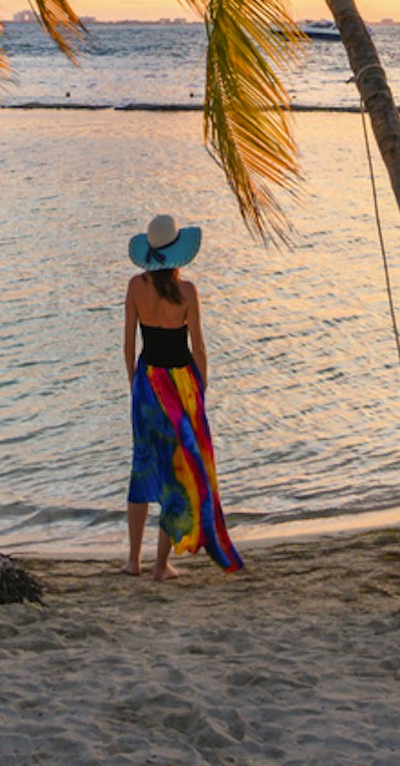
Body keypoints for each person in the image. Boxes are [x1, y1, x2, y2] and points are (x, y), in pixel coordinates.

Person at [123, 213, 240, 578]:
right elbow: (199, 347)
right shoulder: (187, 291)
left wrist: (135, 385)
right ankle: (161, 565)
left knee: (143, 465)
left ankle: (133, 560)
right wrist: (200, 390)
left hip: (148, 381)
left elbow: (128, 345)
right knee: (178, 471)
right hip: (181, 386)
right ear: (178, 253)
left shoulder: (135, 287)